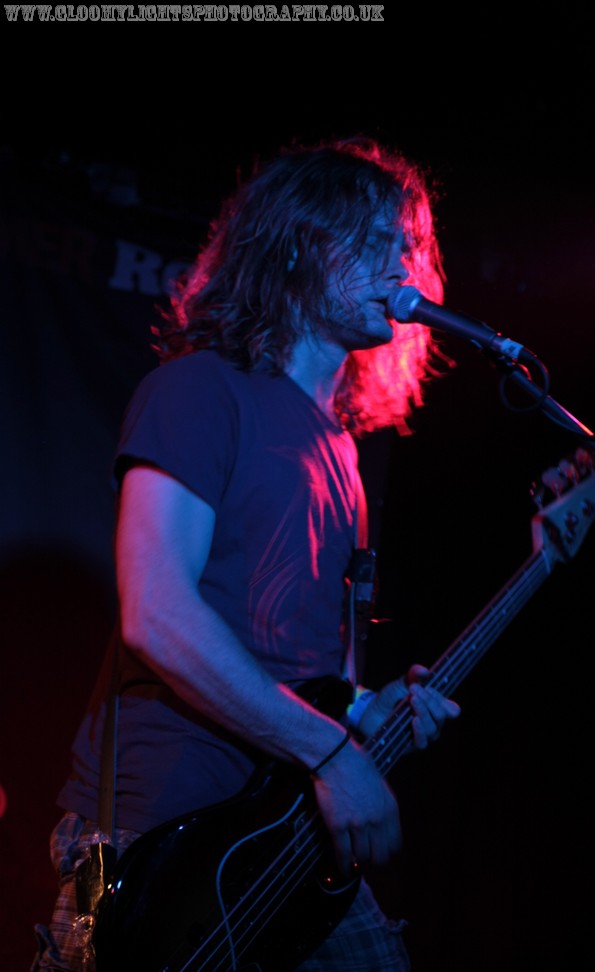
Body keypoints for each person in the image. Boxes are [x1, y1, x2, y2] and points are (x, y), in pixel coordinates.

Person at [32, 135, 461, 972]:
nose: (401, 266)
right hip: (144, 832)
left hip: (279, 828)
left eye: (407, 247)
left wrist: (367, 714)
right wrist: (331, 752)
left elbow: (308, 672)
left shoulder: (344, 456)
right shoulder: (199, 390)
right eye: (375, 240)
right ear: (299, 245)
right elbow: (156, 612)